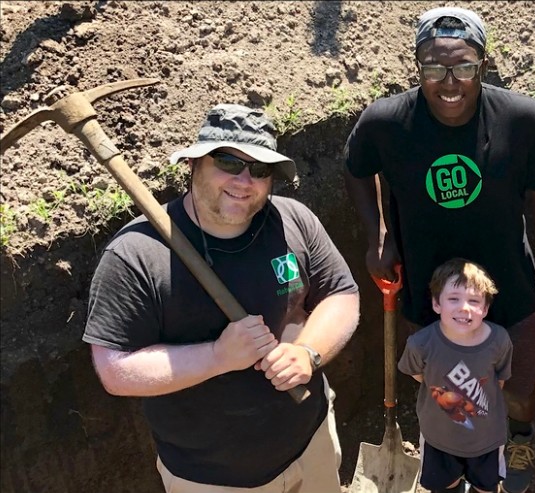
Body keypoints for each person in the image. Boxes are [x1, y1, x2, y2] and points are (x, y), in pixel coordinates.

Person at [344, 7, 535, 491]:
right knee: (443, 383)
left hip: (508, 282)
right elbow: (357, 168)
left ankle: (519, 436)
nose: (450, 81)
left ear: (483, 66)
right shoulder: (387, 123)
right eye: (434, 67)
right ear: (417, 66)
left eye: (463, 67)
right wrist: (377, 235)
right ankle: (458, 445)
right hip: (429, 287)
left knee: (518, 390)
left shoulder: (521, 118)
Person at [83, 104, 360, 493]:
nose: (244, 180)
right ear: (194, 164)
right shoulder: (136, 256)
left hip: (311, 443)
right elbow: (114, 369)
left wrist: (308, 353)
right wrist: (217, 356)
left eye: (260, 170)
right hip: (212, 478)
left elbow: (341, 294)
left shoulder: (292, 221)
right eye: (228, 162)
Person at [399, 258, 513, 493]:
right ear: (436, 303)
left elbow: (499, 381)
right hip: (438, 438)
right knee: (444, 486)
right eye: (453, 299)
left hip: (487, 438)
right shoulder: (420, 344)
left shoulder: (499, 341)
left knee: (487, 487)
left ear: (485, 308)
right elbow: (417, 374)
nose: (464, 308)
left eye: (474, 300)